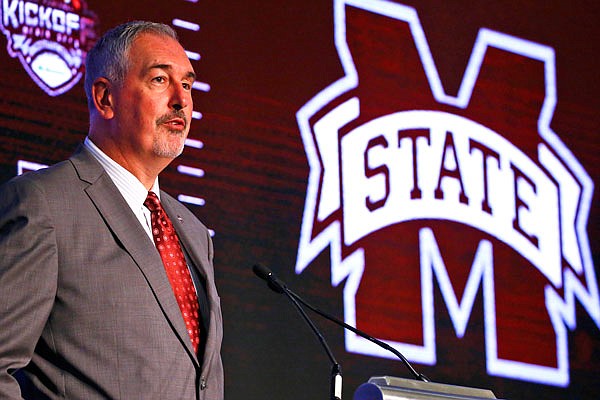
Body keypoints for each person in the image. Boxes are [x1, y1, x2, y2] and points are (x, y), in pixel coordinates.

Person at [0, 21, 224, 399]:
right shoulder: (44, 206)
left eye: (186, 84)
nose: (181, 100)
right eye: (159, 80)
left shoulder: (194, 233)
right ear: (105, 98)